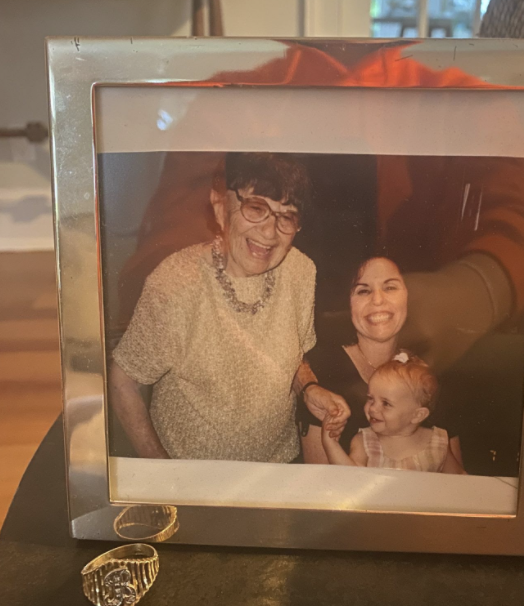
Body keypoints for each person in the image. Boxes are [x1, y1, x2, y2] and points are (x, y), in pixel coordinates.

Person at [109, 152, 348, 462]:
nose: (269, 231)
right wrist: (162, 469)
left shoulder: (300, 271)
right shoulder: (176, 284)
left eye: (286, 216)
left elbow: (294, 355)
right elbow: (123, 380)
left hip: (279, 467)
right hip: (197, 476)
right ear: (221, 207)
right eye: (256, 208)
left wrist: (308, 388)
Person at [299, 256, 462, 465]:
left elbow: (456, 483)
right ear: (347, 303)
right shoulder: (322, 373)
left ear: (409, 296)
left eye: (390, 287)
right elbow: (321, 482)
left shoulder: (430, 375)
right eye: (363, 290)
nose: (377, 300)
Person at [321, 355, 465, 473]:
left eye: (386, 403)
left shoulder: (438, 443)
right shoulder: (364, 442)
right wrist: (330, 443)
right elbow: (350, 478)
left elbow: (459, 482)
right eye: (370, 398)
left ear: (417, 415)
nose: (372, 409)